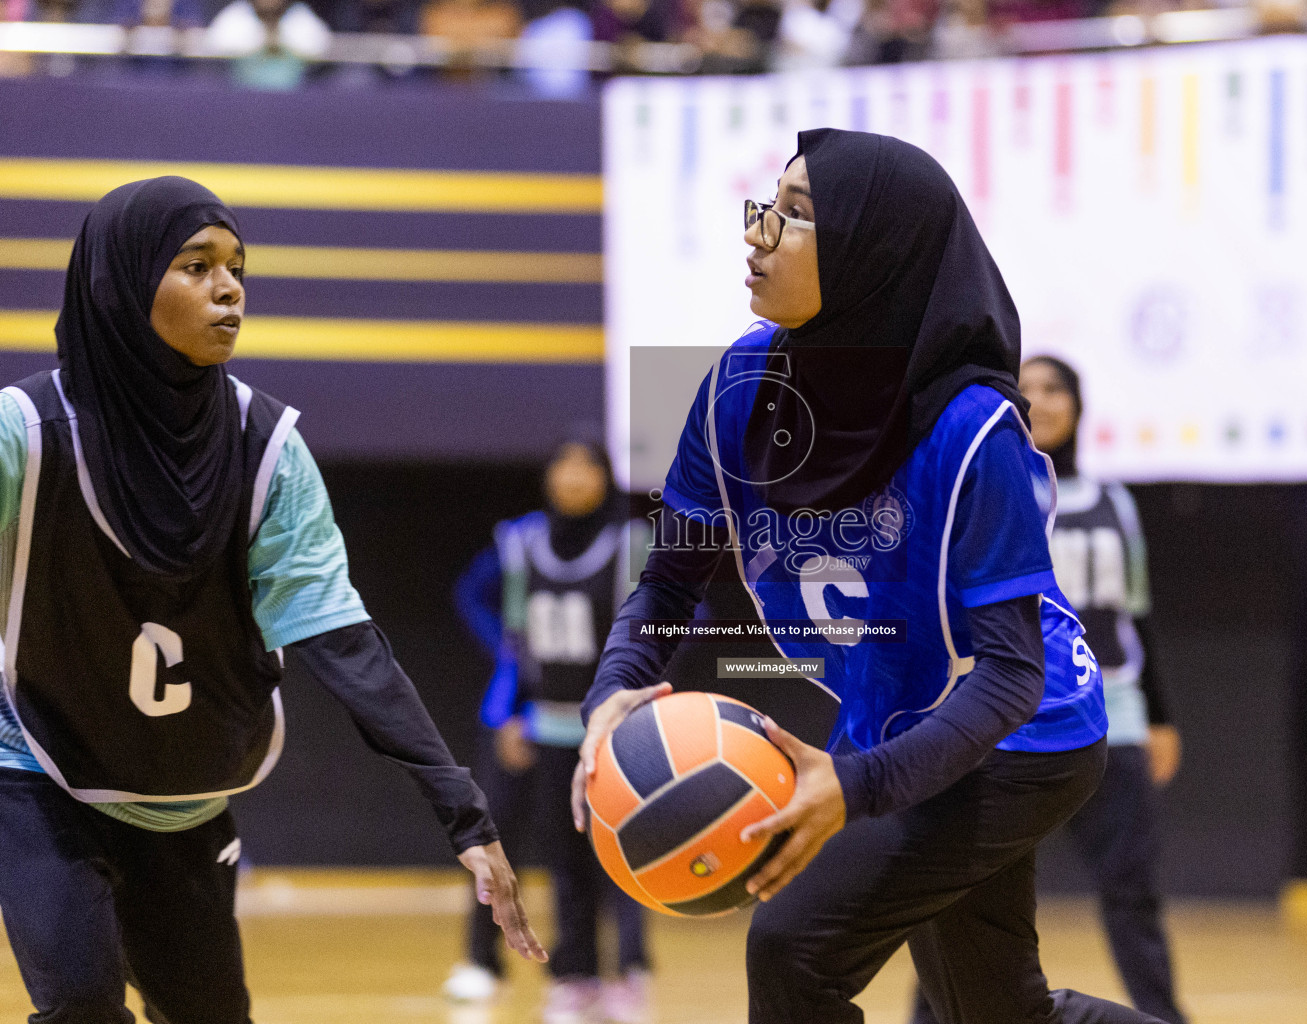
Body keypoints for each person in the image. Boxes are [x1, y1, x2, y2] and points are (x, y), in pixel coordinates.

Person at [573, 129, 1168, 1024]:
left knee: (793, 953)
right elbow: (669, 579)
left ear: (873, 254)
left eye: (798, 215)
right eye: (765, 207)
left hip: (1023, 735)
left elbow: (1012, 675)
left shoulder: (975, 433)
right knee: (1000, 1014)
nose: (759, 233)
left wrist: (856, 788)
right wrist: (616, 690)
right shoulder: (733, 387)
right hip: (894, 721)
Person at [0, 176, 545, 1024]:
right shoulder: (24, 435)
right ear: (120, 282)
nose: (229, 288)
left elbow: (343, 640)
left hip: (185, 791)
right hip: (37, 765)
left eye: (237, 266)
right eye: (195, 265)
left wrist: (464, 816)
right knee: (79, 1004)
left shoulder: (270, 451)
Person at [911, 356, 1189, 1024]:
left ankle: (1164, 1015)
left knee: (1132, 895)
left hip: (1110, 720)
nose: (1040, 401)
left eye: (1054, 388)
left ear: (1077, 404)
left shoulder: (1116, 503)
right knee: (958, 899)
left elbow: (1134, 613)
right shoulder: (986, 492)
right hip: (1003, 724)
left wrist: (1160, 716)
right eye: (1026, 389)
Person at [444, 438, 654, 1023]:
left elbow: (683, 619)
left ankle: (631, 970)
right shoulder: (521, 541)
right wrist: (510, 697)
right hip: (540, 722)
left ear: (607, 476)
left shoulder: (632, 544)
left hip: (614, 728)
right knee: (543, 851)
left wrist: (643, 697)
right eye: (561, 461)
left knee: (620, 855)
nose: (573, 475)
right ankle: (550, 971)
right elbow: (477, 601)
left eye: (588, 463)